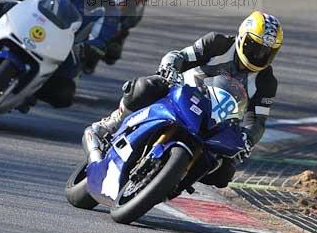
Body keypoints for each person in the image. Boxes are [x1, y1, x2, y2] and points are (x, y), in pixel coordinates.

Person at [84, 10, 283, 188]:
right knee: (146, 86)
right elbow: (180, 56)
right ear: (242, 37)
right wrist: (170, 68)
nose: (259, 55)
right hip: (184, 94)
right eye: (254, 47)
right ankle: (112, 123)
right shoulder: (218, 43)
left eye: (267, 52)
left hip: (216, 120)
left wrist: (248, 138)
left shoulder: (266, 82)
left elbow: (257, 120)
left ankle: (178, 178)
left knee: (225, 172)